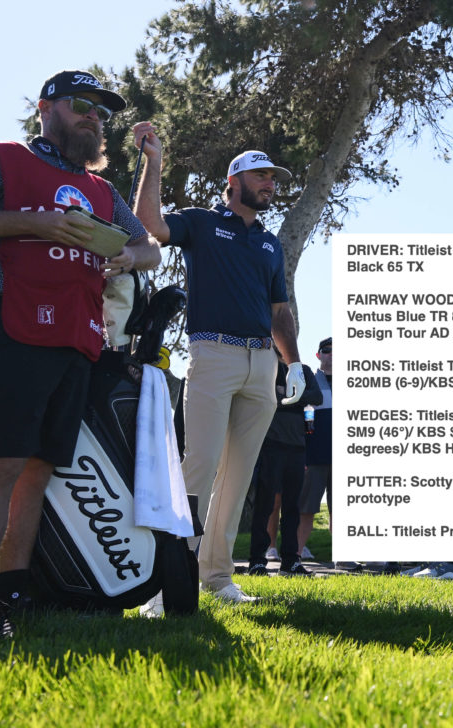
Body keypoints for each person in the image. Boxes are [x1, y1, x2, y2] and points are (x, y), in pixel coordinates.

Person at [0, 70, 161, 637]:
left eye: (102, 111)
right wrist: (29, 224)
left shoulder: (101, 190)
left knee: (38, 470)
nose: (93, 116)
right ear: (47, 108)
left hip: (78, 334)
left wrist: (128, 258)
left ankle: (17, 592)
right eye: (81, 104)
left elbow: (149, 246)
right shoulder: (2, 159)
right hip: (12, 322)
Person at [132, 123, 305, 607]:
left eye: (274, 178)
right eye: (262, 176)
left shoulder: (271, 244)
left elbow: (278, 312)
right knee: (200, 468)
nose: (271, 183)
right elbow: (154, 225)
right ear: (235, 182)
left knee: (238, 478)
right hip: (212, 355)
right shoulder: (204, 223)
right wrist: (155, 163)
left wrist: (292, 365)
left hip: (261, 366)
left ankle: (217, 577)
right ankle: (170, 582)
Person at [246, 355, 320, 577]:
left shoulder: (303, 371)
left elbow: (315, 397)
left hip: (298, 448)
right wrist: (296, 397)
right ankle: (257, 561)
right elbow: (261, 398)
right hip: (270, 446)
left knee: (292, 508)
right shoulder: (267, 368)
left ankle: (291, 561)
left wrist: (283, 395)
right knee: (264, 506)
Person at [298, 337, 333, 555]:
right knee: (306, 510)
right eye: (327, 350)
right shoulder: (309, 380)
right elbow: (303, 421)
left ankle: (344, 558)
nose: (332, 354)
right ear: (318, 355)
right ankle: (295, 556)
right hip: (314, 458)